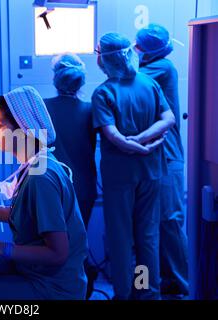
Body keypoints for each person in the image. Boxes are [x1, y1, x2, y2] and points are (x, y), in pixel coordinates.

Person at [0, 86, 88, 300]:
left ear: (23, 130)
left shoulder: (41, 177)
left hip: (52, 287)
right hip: (31, 269)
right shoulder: (35, 165)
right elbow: (22, 213)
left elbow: (58, 253)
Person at [92, 33, 176, 300]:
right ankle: (145, 292)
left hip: (120, 176)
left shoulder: (104, 92)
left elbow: (112, 134)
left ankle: (125, 293)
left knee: (121, 238)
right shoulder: (149, 84)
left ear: (104, 59)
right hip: (150, 172)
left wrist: (134, 142)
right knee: (147, 236)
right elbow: (168, 118)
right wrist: (144, 142)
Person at [136, 24, 188, 297]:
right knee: (151, 226)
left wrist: (112, 57)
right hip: (153, 160)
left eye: (138, 47)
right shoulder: (155, 66)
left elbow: (131, 77)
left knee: (170, 221)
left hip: (168, 158)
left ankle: (184, 284)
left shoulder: (162, 68)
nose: (135, 51)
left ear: (149, 50)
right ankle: (159, 281)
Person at [44, 54, 98, 299]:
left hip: (50, 185)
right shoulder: (90, 110)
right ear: (81, 82)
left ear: (55, 80)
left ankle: (52, 289)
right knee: (77, 241)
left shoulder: (42, 107)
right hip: (83, 186)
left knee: (49, 242)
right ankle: (80, 289)